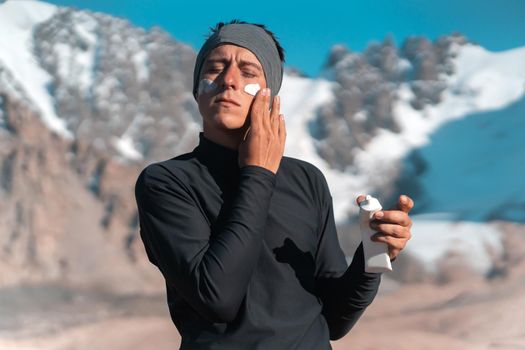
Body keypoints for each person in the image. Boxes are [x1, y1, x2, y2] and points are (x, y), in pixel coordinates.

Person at [134, 20, 413, 350]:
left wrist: (371, 257)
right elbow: (216, 297)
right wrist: (258, 174)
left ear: (271, 95)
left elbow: (334, 321)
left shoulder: (306, 181)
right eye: (214, 68)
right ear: (197, 90)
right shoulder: (167, 183)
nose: (229, 81)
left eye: (248, 71)